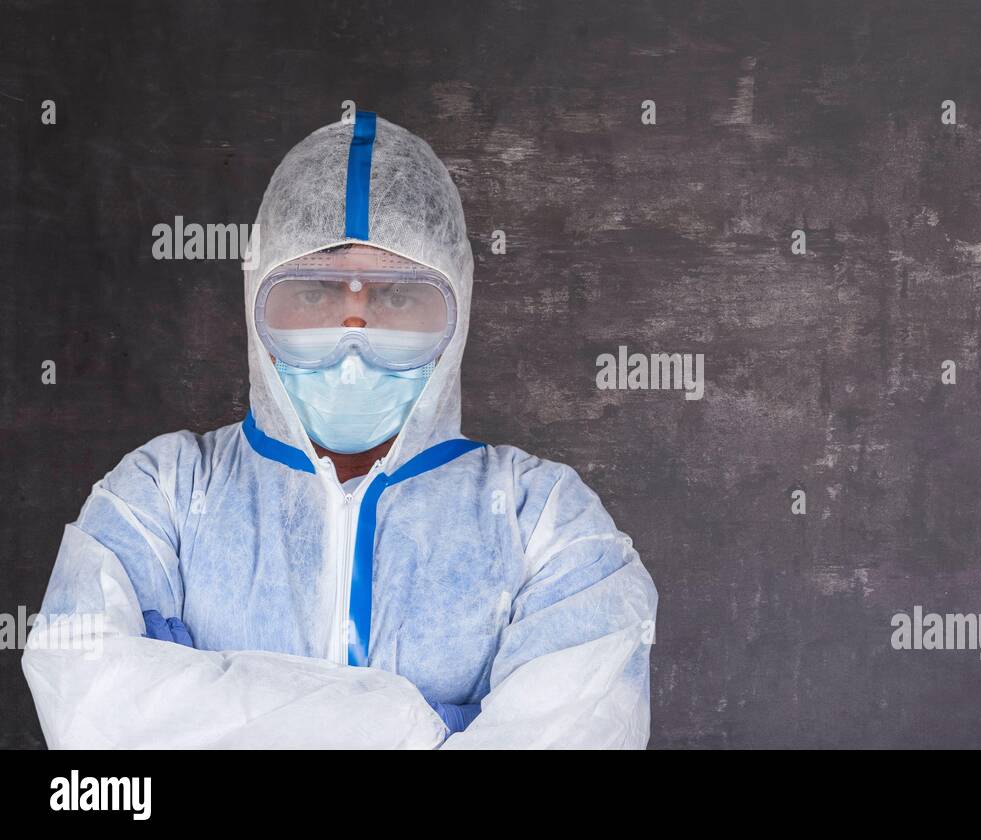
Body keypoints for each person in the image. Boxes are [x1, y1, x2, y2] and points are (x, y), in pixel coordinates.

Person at [22, 112, 658, 748]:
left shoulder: (547, 524)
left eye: (398, 297)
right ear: (257, 304)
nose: (353, 336)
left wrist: (207, 708)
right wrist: (431, 725)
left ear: (455, 314)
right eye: (318, 291)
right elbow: (90, 715)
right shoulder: (158, 497)